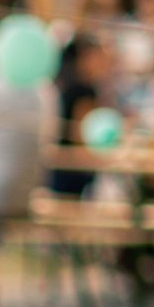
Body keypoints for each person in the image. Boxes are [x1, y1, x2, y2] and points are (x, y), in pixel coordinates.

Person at [48, 34, 115, 199]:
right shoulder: (84, 90)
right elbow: (81, 134)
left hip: (62, 164)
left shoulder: (65, 83)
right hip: (72, 166)